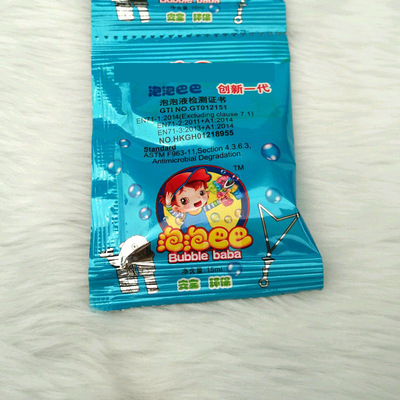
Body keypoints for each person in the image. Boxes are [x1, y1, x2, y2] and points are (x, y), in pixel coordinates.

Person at [159, 168, 224, 233]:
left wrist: (219, 201)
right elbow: (172, 212)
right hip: (189, 235)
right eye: (184, 200)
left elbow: (211, 205)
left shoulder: (202, 209)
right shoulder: (183, 215)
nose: (197, 199)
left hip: (206, 231)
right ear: (176, 208)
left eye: (201, 193)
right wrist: (168, 204)